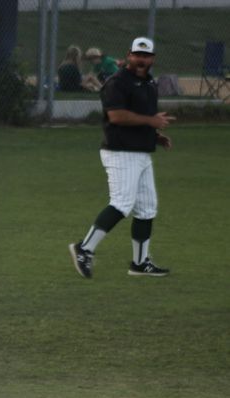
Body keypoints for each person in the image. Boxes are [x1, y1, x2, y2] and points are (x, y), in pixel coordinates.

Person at [69, 37, 174, 280]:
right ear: (129, 55)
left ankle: (140, 263)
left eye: (146, 55)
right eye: (137, 54)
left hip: (140, 152)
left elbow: (142, 116)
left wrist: (154, 134)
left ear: (153, 58)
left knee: (147, 208)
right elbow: (117, 116)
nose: (141, 59)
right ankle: (84, 249)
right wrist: (151, 122)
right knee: (122, 203)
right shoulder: (118, 82)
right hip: (120, 152)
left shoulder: (148, 83)